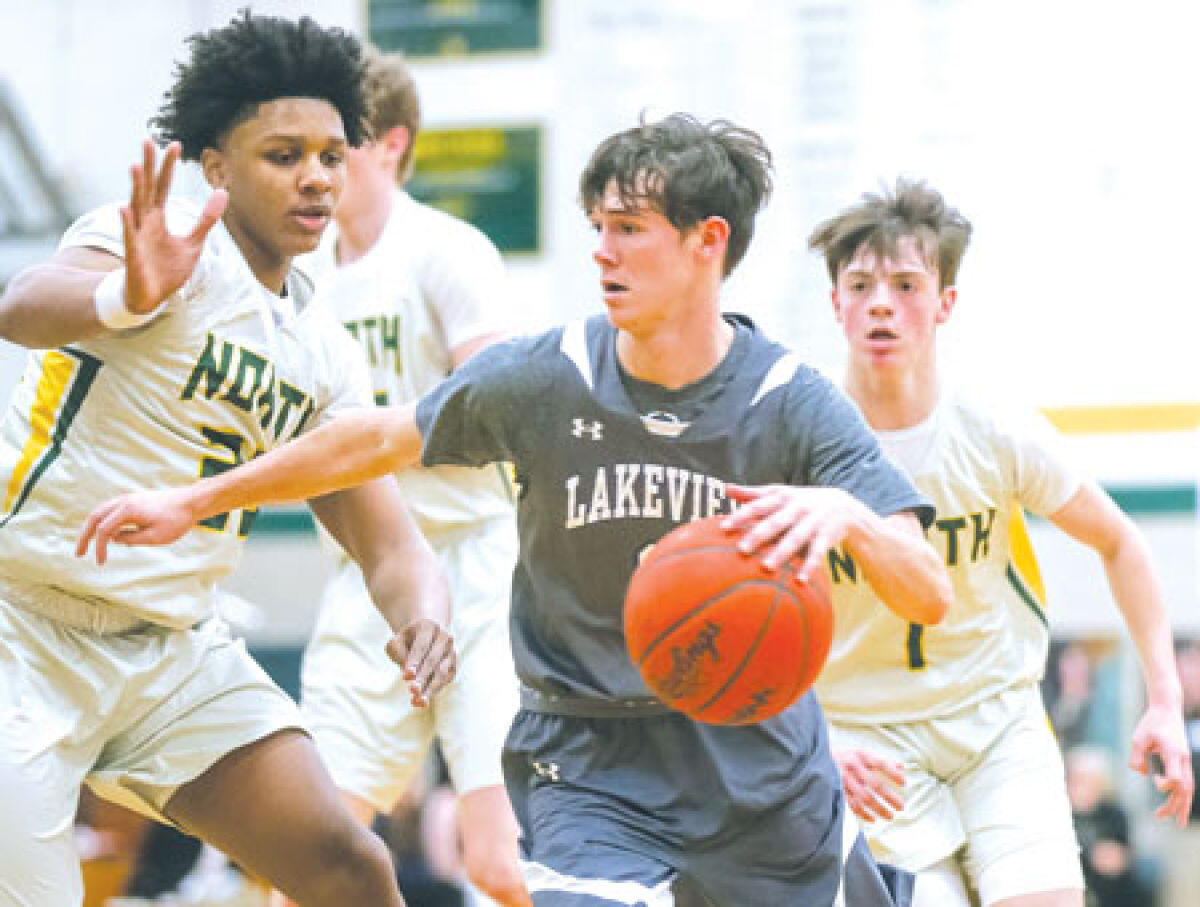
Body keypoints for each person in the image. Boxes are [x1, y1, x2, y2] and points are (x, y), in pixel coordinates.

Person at [78, 112, 954, 906]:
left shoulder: (789, 399)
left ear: (707, 241)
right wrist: (196, 498)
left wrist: (849, 517)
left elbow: (927, 591)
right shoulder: (549, 376)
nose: (602, 252)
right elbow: (369, 440)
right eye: (597, 228)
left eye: (629, 229)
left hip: (757, 767)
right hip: (591, 762)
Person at [0, 12, 456, 906]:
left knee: (351, 867)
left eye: (332, 155)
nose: (316, 176)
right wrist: (123, 294)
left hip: (172, 652)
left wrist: (424, 614)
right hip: (25, 622)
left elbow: (389, 541)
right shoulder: (162, 240)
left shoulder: (323, 350)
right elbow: (23, 304)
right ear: (216, 167)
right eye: (284, 155)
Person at [807, 178, 1194, 907]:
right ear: (835, 303)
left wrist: (1165, 701)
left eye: (905, 284)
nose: (881, 303)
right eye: (860, 285)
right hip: (865, 734)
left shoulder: (993, 425)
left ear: (945, 302)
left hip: (995, 722)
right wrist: (805, 736)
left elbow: (1119, 541)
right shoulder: (797, 433)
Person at [273, 47, 527, 907]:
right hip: (366, 576)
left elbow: (491, 408)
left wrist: (363, 444)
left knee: (498, 862)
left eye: (339, 146)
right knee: (305, 864)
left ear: (391, 146)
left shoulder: (448, 251)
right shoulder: (302, 281)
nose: (319, 169)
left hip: (477, 568)